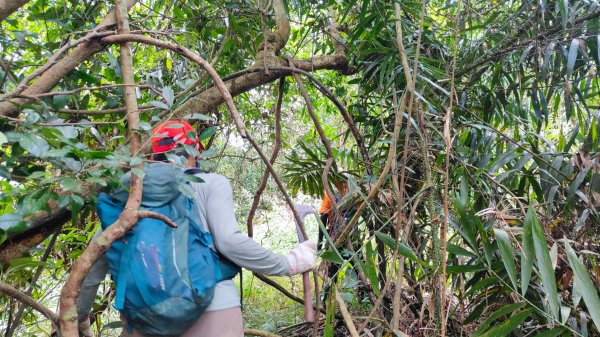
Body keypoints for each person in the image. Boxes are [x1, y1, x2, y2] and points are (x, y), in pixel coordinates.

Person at [77, 120, 317, 337]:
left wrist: (79, 318)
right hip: (214, 308)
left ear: (152, 157)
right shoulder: (210, 184)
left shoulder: (129, 198)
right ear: (196, 151)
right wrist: (288, 263)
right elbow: (228, 242)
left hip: (145, 318)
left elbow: (93, 264)